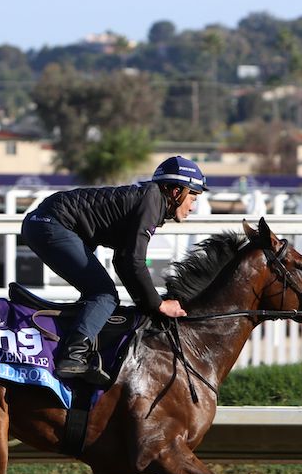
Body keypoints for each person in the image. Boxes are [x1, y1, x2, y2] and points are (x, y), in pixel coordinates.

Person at [20, 155, 206, 387]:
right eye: (193, 197)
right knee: (104, 295)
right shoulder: (152, 200)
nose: (192, 206)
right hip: (52, 223)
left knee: (99, 295)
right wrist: (158, 305)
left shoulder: (149, 199)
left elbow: (123, 261)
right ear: (177, 192)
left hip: (44, 222)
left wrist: (146, 305)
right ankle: (73, 356)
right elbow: (134, 261)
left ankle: (82, 345)